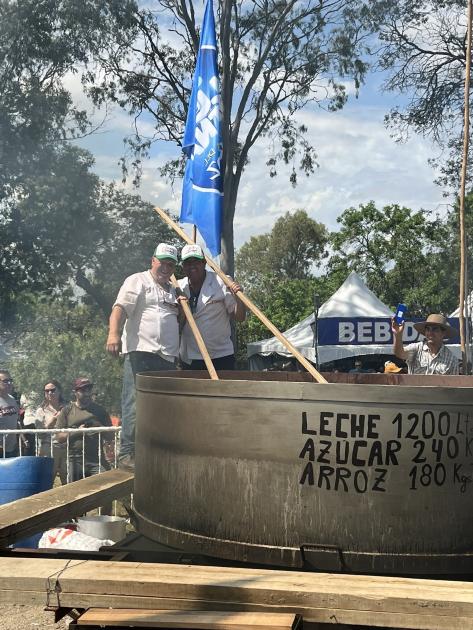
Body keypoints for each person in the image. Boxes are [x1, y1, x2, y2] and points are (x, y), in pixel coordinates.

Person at [106, 242, 180, 471]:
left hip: (167, 356)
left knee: (161, 407)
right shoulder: (137, 280)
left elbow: (180, 324)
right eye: (162, 263)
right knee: (134, 404)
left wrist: (184, 303)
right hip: (141, 352)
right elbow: (119, 308)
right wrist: (113, 334)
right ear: (152, 260)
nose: (165, 268)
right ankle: (127, 453)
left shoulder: (174, 291)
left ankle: (154, 452)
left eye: (170, 265)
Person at [177, 244, 246, 370]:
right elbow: (177, 325)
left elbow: (239, 317)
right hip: (190, 357)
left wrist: (238, 298)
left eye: (196, 261)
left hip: (220, 356)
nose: (192, 266)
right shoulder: (178, 287)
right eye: (187, 262)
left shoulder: (222, 281)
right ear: (183, 266)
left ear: (204, 263)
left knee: (222, 390)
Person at [55, 378, 112, 481]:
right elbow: (59, 437)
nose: (86, 393)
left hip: (97, 460)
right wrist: (77, 431)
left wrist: (100, 428)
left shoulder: (100, 411)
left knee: (104, 487)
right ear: (75, 392)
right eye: (82, 390)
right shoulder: (66, 411)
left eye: (89, 390)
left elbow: (111, 436)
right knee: (76, 493)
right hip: (75, 460)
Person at [392, 313, 459, 375]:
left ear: (443, 334)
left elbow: (453, 385)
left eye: (435, 330)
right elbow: (399, 353)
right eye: (428, 329)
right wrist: (397, 335)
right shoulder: (417, 349)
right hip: (415, 388)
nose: (430, 333)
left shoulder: (452, 359)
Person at [35, 380, 67, 484]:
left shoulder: (68, 407)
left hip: (67, 448)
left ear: (59, 391)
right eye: (46, 391)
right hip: (49, 448)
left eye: (52, 390)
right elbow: (40, 434)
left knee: (68, 481)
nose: (49, 393)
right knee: (47, 482)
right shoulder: (41, 411)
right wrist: (53, 421)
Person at [0, 369, 19, 457]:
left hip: (11, 448)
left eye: (10, 381)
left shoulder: (12, 399)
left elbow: (16, 421)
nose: (9, 383)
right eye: (5, 381)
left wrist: (22, 439)